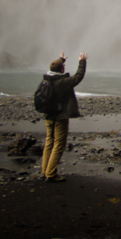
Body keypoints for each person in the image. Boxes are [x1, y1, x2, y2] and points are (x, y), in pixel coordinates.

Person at [40, 50, 88, 182]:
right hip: (60, 117)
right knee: (59, 144)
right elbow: (78, 77)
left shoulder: (47, 78)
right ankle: (51, 174)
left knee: (49, 142)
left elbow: (54, 67)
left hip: (48, 115)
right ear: (61, 70)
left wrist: (61, 59)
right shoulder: (62, 82)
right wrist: (82, 62)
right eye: (63, 67)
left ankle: (45, 170)